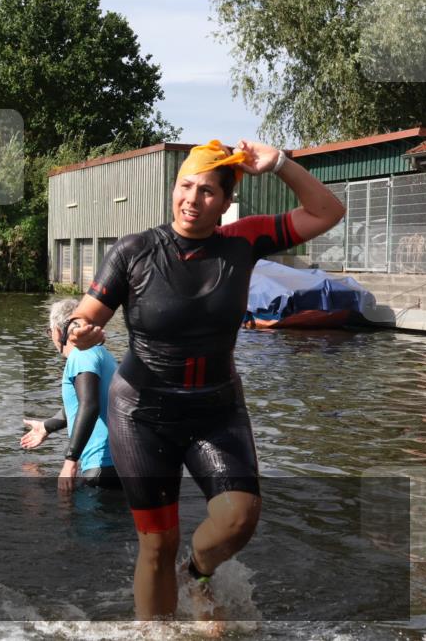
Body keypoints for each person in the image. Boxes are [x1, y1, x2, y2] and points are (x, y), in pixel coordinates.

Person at [66, 139, 346, 620]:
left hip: (216, 409)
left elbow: (327, 211)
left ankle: (195, 572)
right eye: (185, 186)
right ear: (174, 189)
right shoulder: (134, 251)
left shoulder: (244, 241)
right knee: (157, 541)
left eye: (207, 191)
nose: (193, 199)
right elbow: (82, 319)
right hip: (142, 412)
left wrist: (279, 164)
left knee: (239, 519)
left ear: (225, 201)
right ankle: (156, 632)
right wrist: (84, 332)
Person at [21, 298, 120, 491]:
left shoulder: (80, 354)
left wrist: (70, 460)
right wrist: (46, 426)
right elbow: (79, 404)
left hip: (102, 466)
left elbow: (89, 405)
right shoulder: (100, 353)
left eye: (49, 331)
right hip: (121, 463)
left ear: (58, 331)